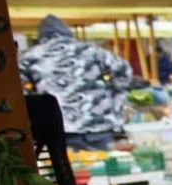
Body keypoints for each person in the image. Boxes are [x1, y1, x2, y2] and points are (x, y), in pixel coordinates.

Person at [19, 15, 131, 151]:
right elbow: (123, 70)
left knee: (69, 163)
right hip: (99, 124)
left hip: (59, 128)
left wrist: (40, 102)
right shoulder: (92, 50)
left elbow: (18, 89)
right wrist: (114, 94)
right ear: (67, 32)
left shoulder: (30, 56)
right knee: (104, 162)